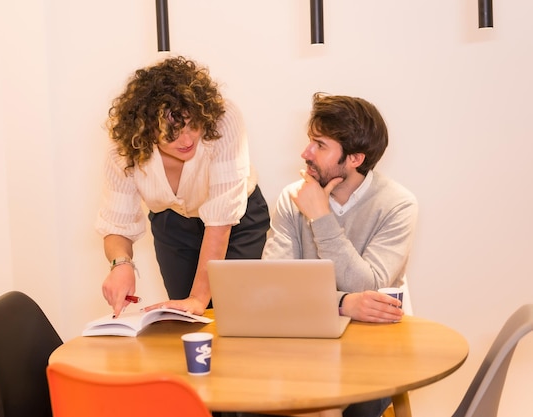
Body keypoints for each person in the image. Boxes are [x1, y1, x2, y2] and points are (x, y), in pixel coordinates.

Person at [261, 93, 419, 417]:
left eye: (320, 145)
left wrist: (322, 218)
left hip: (374, 346)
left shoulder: (398, 205)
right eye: (310, 142)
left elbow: (369, 287)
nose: (305, 153)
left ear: (355, 158)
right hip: (306, 341)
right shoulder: (292, 199)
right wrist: (343, 303)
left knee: (324, 404)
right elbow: (273, 286)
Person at [96, 56, 270, 319]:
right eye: (172, 132)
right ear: (146, 129)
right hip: (173, 224)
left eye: (193, 125)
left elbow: (220, 221)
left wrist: (199, 298)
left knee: (235, 314)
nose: (187, 140)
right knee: (185, 317)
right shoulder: (124, 150)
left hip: (236, 221)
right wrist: (121, 264)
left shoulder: (224, 120)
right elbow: (117, 223)